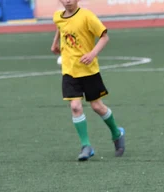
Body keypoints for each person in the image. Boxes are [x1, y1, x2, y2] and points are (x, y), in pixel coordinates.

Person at [51, 0, 125, 161]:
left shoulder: (87, 16)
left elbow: (104, 37)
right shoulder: (57, 16)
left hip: (89, 71)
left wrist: (92, 54)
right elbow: (60, 26)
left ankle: (117, 133)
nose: (68, 0)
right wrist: (55, 42)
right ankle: (86, 146)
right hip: (69, 70)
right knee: (75, 107)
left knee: (97, 106)